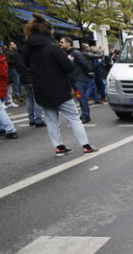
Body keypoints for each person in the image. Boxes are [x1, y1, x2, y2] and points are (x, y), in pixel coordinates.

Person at [23, 15, 96, 155]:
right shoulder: (53, 47)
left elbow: (27, 66)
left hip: (41, 88)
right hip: (59, 88)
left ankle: (59, 147)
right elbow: (69, 68)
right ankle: (86, 146)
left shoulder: (27, 48)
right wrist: (67, 59)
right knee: (74, 118)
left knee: (51, 120)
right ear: (48, 31)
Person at [59, 37, 93, 123]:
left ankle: (86, 116)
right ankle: (82, 115)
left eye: (62, 42)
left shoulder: (76, 53)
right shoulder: (66, 54)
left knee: (81, 97)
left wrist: (84, 74)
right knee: (79, 98)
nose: (60, 44)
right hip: (73, 80)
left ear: (68, 43)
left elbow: (85, 65)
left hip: (79, 80)